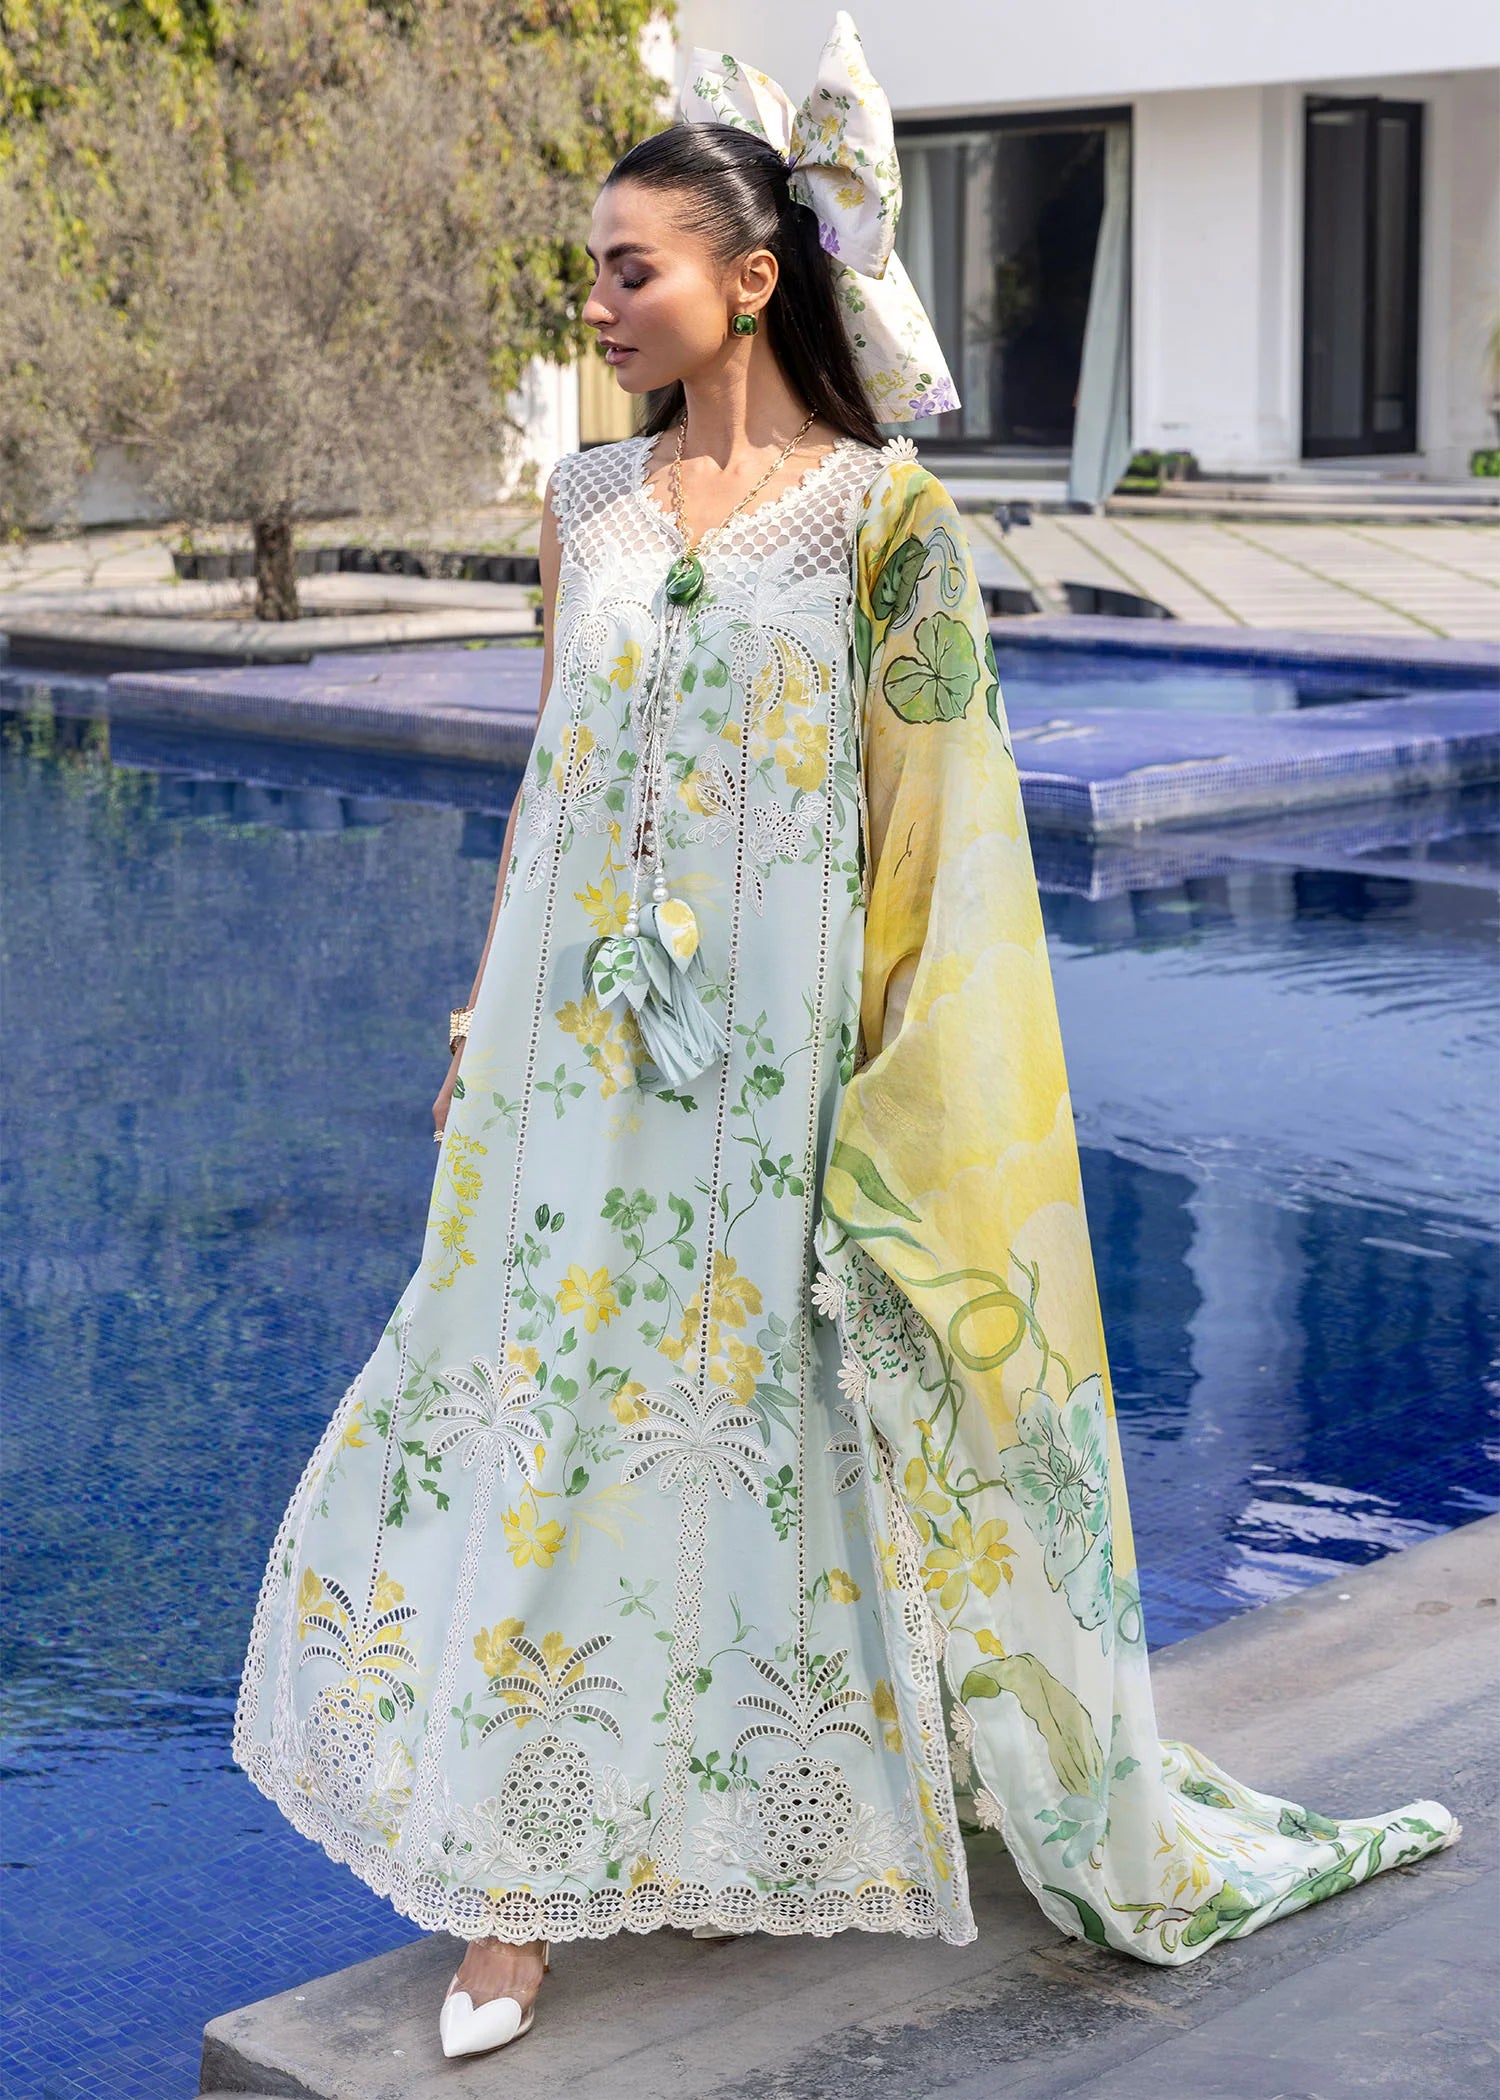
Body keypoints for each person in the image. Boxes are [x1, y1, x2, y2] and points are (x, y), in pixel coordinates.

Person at [232, 13, 1458, 2062]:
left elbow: (938, 830)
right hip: (562, 1060)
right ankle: (510, 1891)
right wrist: (475, 1005)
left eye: (630, 269)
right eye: (590, 271)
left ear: (750, 278)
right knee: (527, 1413)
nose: (596, 304)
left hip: (771, 1066)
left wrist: (899, 1080)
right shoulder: (588, 504)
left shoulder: (886, 521)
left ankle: (733, 1819)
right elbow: (552, 773)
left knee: (757, 1433)